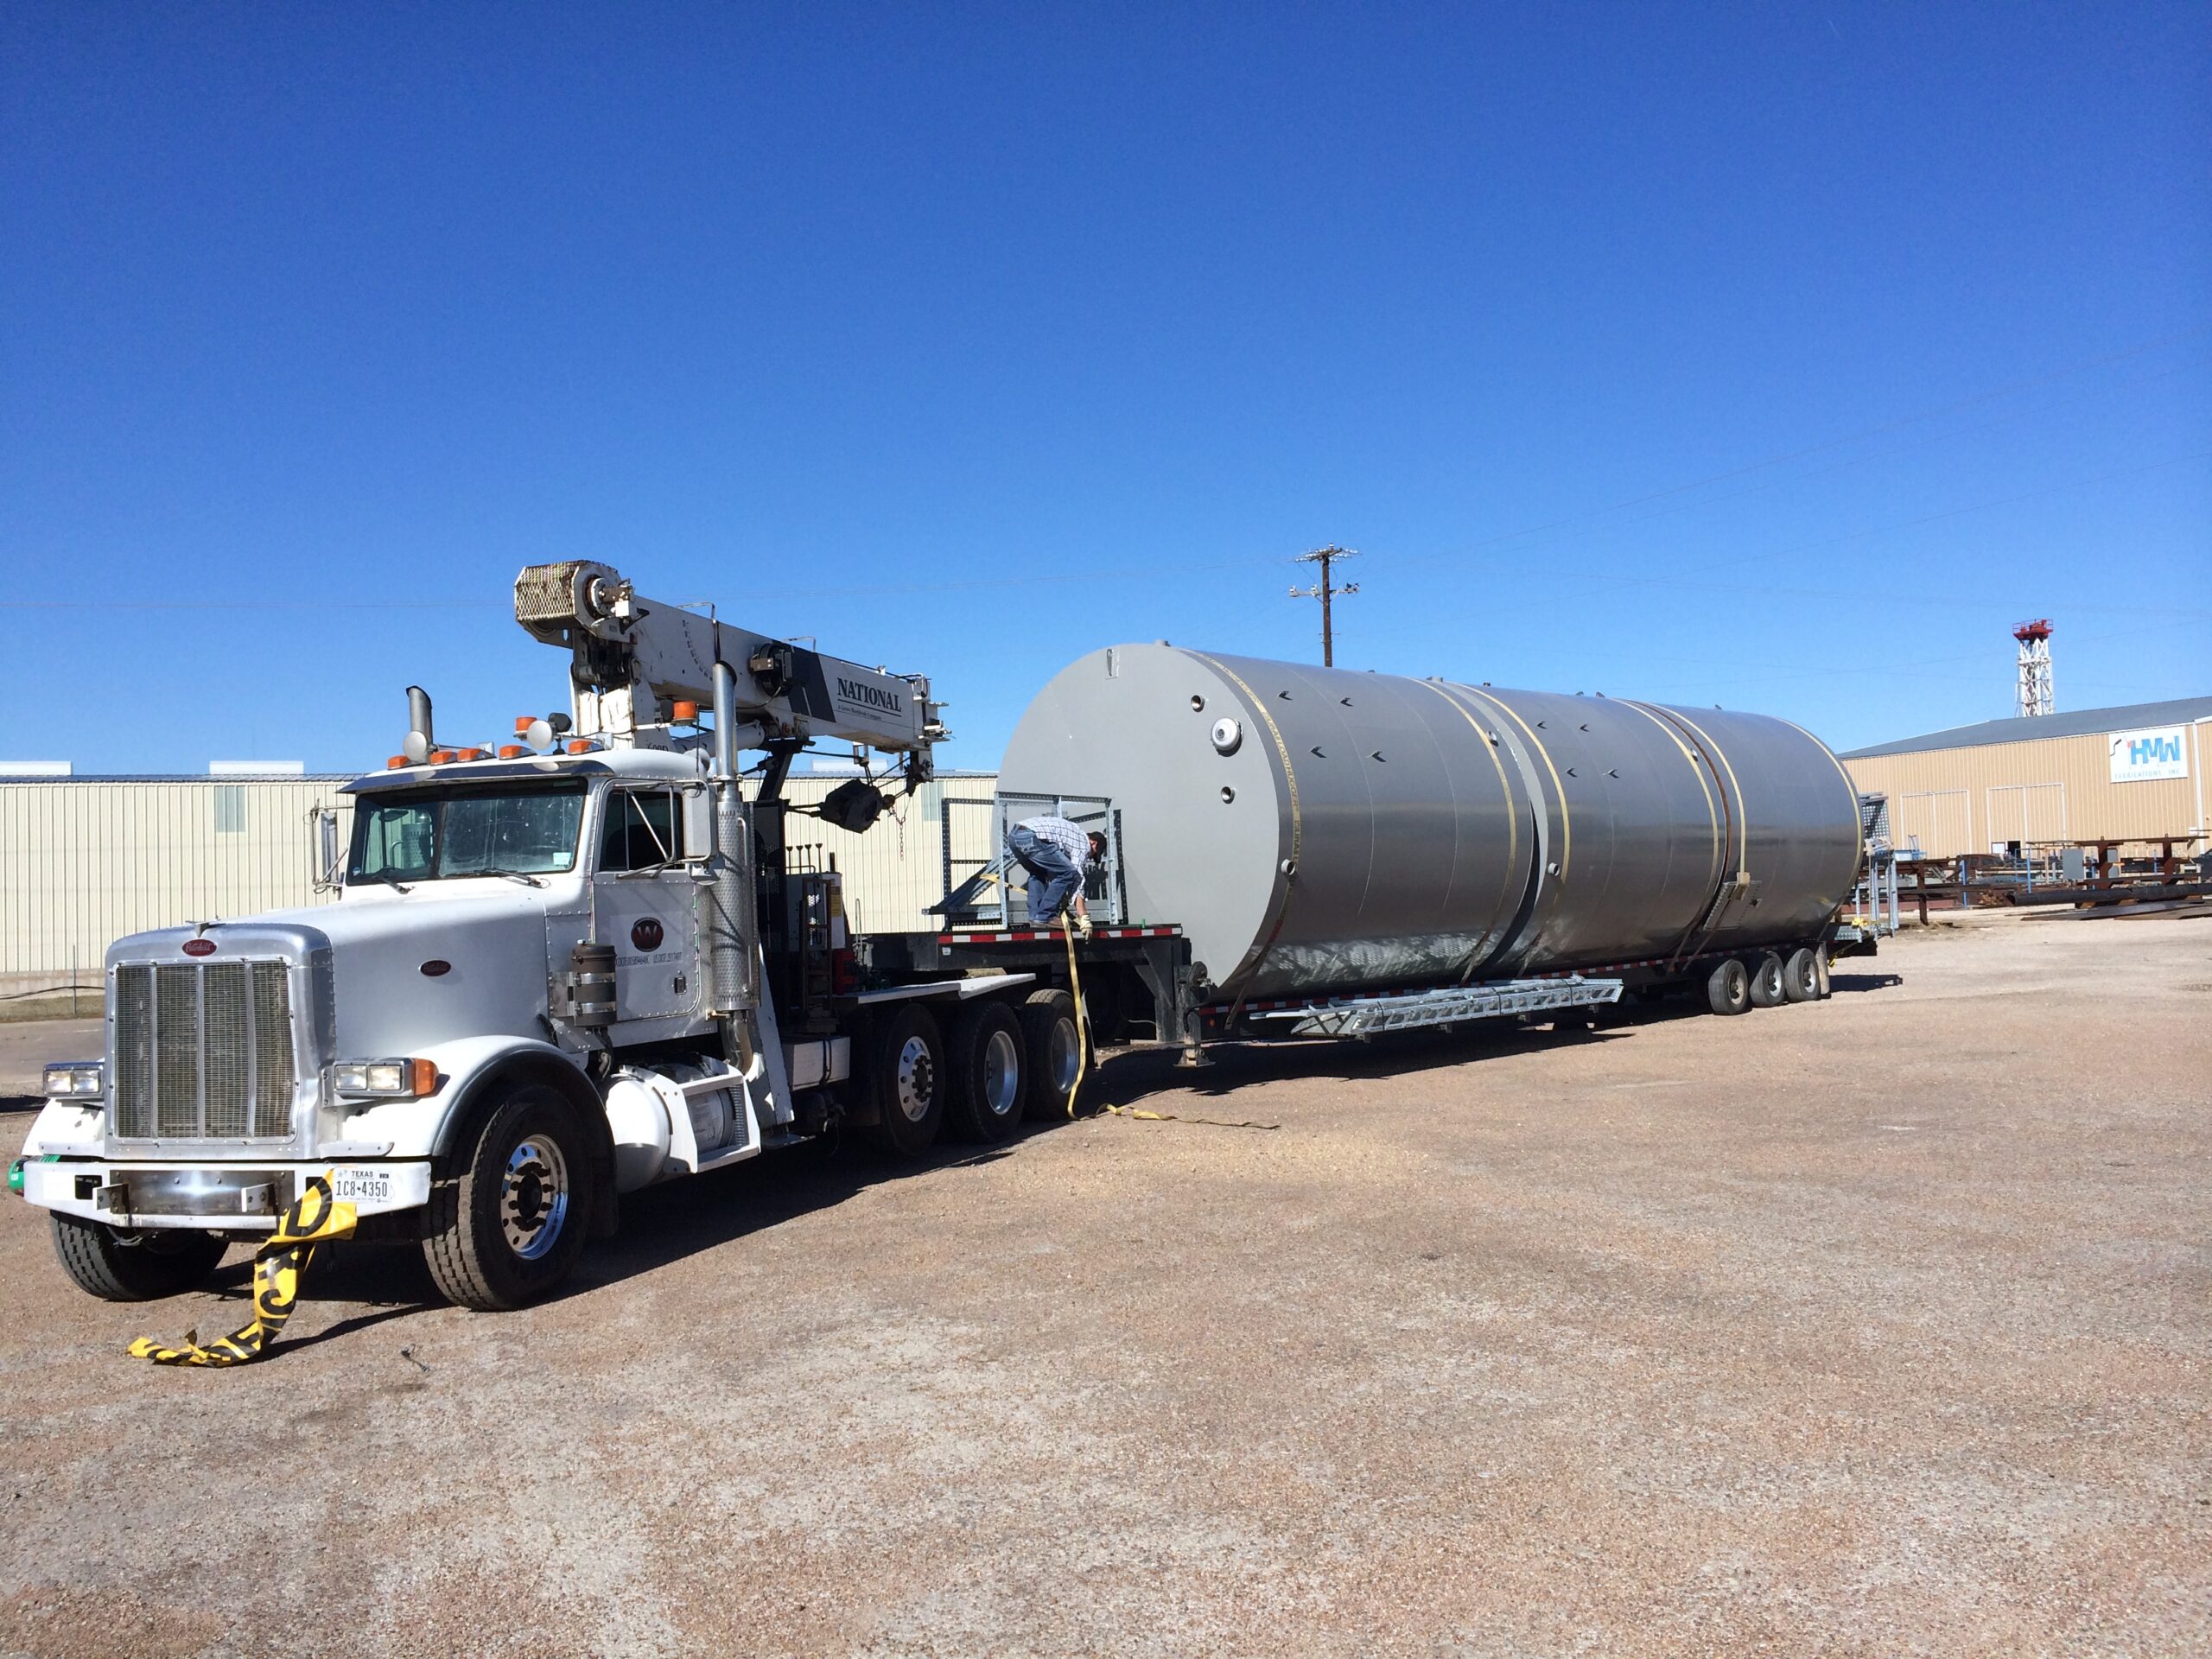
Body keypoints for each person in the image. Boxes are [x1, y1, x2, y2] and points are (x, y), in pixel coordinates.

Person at [1006, 813, 1104, 933]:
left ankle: (1036, 918)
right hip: (1031, 837)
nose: (1089, 857)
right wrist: (1084, 917)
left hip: (1014, 837)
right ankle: (1045, 916)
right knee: (1069, 872)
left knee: (1038, 873)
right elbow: (1077, 877)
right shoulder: (1083, 843)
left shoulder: (1072, 832)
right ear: (1094, 843)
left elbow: (1055, 872)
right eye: (1093, 854)